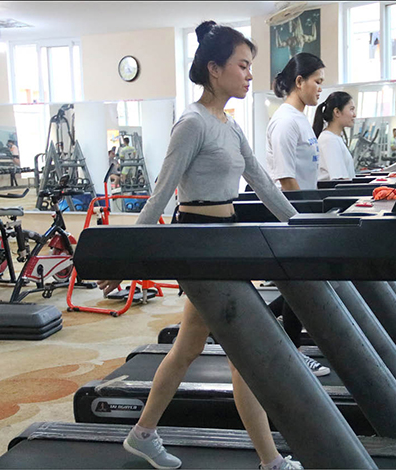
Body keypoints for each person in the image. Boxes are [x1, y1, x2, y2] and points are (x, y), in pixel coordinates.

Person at [97, 21, 303, 470]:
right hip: (199, 243)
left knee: (188, 347)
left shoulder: (229, 125)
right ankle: (271, 462)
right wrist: (126, 257)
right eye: (242, 65)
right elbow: (160, 193)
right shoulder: (192, 123)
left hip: (224, 240)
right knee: (243, 354)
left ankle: (143, 433)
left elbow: (263, 183)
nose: (249, 74)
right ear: (214, 69)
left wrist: (303, 225)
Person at [265, 52, 331, 377]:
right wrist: (301, 220)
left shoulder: (302, 118)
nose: (320, 88)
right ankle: (293, 354)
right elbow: (286, 178)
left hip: (303, 214)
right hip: (291, 216)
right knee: (299, 288)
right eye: (317, 81)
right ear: (299, 81)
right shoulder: (285, 121)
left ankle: (263, 322)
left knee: (300, 287)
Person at [312, 91, 357, 181]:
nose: (354, 115)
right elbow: (340, 179)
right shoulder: (329, 140)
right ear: (337, 112)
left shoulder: (335, 138)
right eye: (351, 109)